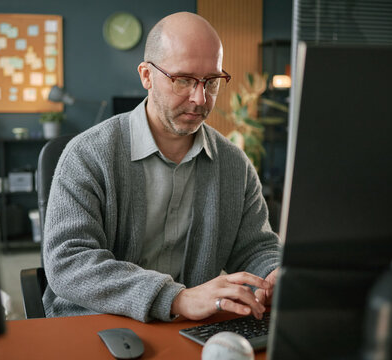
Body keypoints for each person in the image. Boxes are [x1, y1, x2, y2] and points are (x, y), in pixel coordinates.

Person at [42, 12, 280, 323]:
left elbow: (255, 247)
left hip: (185, 328)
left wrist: (274, 273)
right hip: (93, 322)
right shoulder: (87, 155)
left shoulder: (234, 165)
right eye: (183, 80)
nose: (199, 98)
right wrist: (177, 298)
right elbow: (69, 262)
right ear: (146, 75)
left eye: (211, 82)